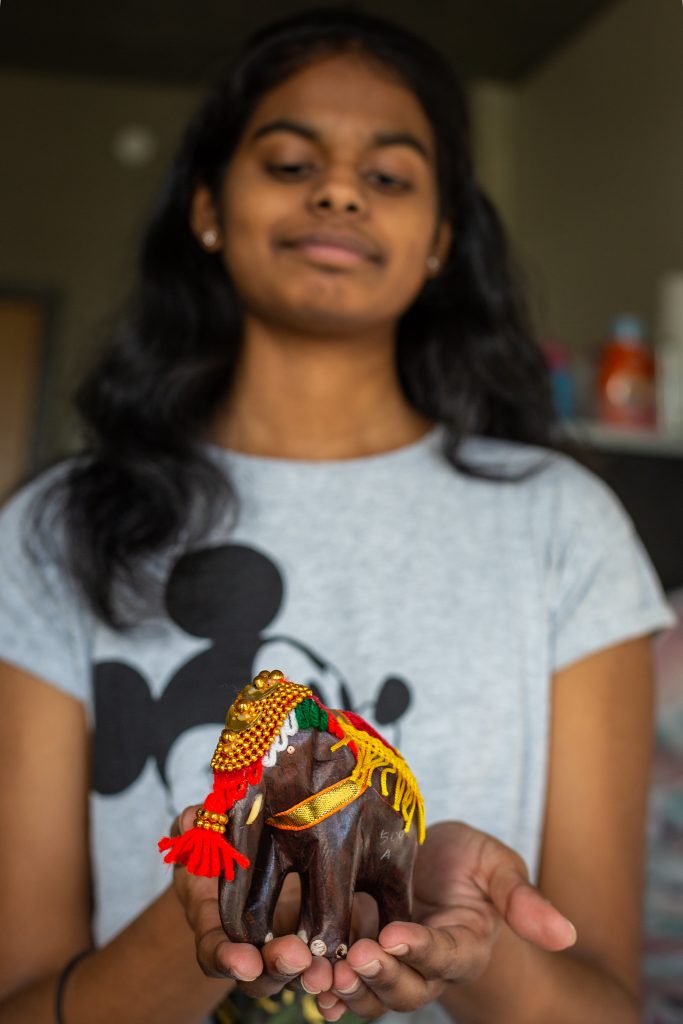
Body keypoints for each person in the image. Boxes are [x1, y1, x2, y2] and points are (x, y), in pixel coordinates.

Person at [0, 9, 674, 1024]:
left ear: (440, 237)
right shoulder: (57, 527)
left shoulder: (561, 526)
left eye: (391, 175)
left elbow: (602, 1007)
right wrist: (210, 914)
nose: (339, 189)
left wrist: (470, 940)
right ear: (206, 208)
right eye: (286, 161)